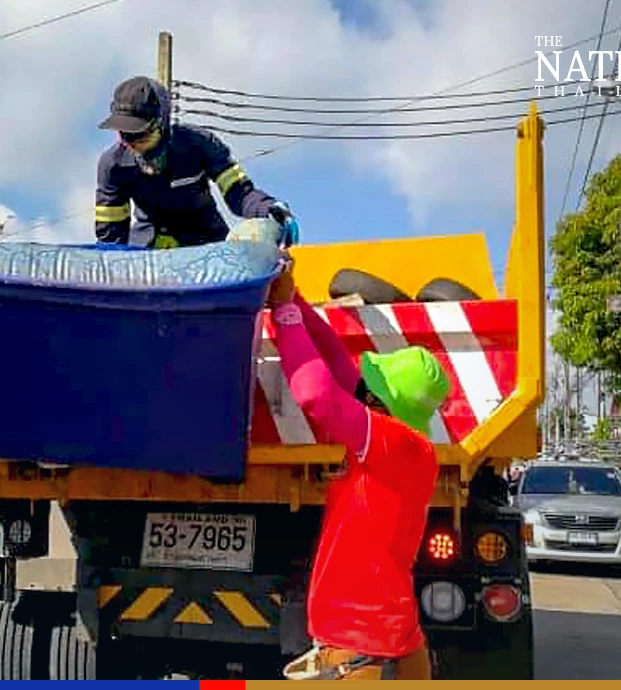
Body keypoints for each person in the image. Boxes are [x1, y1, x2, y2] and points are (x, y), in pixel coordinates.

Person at [264, 255, 450, 681]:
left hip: (364, 647)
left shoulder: (394, 444)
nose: (362, 389)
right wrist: (294, 299)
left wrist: (286, 314)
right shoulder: (403, 445)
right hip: (384, 641)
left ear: (383, 404)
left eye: (372, 389)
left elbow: (316, 394)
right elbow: (335, 360)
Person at [94, 76, 298, 249]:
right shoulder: (112, 165)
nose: (133, 143)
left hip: (207, 247)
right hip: (148, 251)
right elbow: (111, 238)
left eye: (141, 135)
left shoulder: (200, 144)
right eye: (125, 135)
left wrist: (268, 209)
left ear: (162, 123)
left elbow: (239, 193)